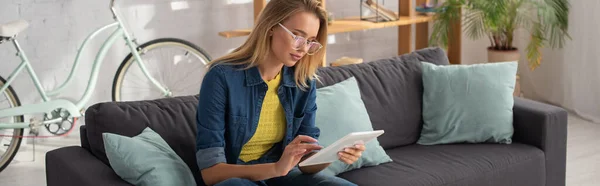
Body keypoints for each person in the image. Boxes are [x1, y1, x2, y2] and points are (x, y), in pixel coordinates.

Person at [195, 0, 365, 185]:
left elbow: (303, 164)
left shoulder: (304, 82)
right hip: (238, 178)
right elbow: (210, 173)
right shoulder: (221, 77)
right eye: (297, 37)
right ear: (271, 27)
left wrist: (334, 154)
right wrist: (276, 168)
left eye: (310, 41)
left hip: (284, 177)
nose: (303, 48)